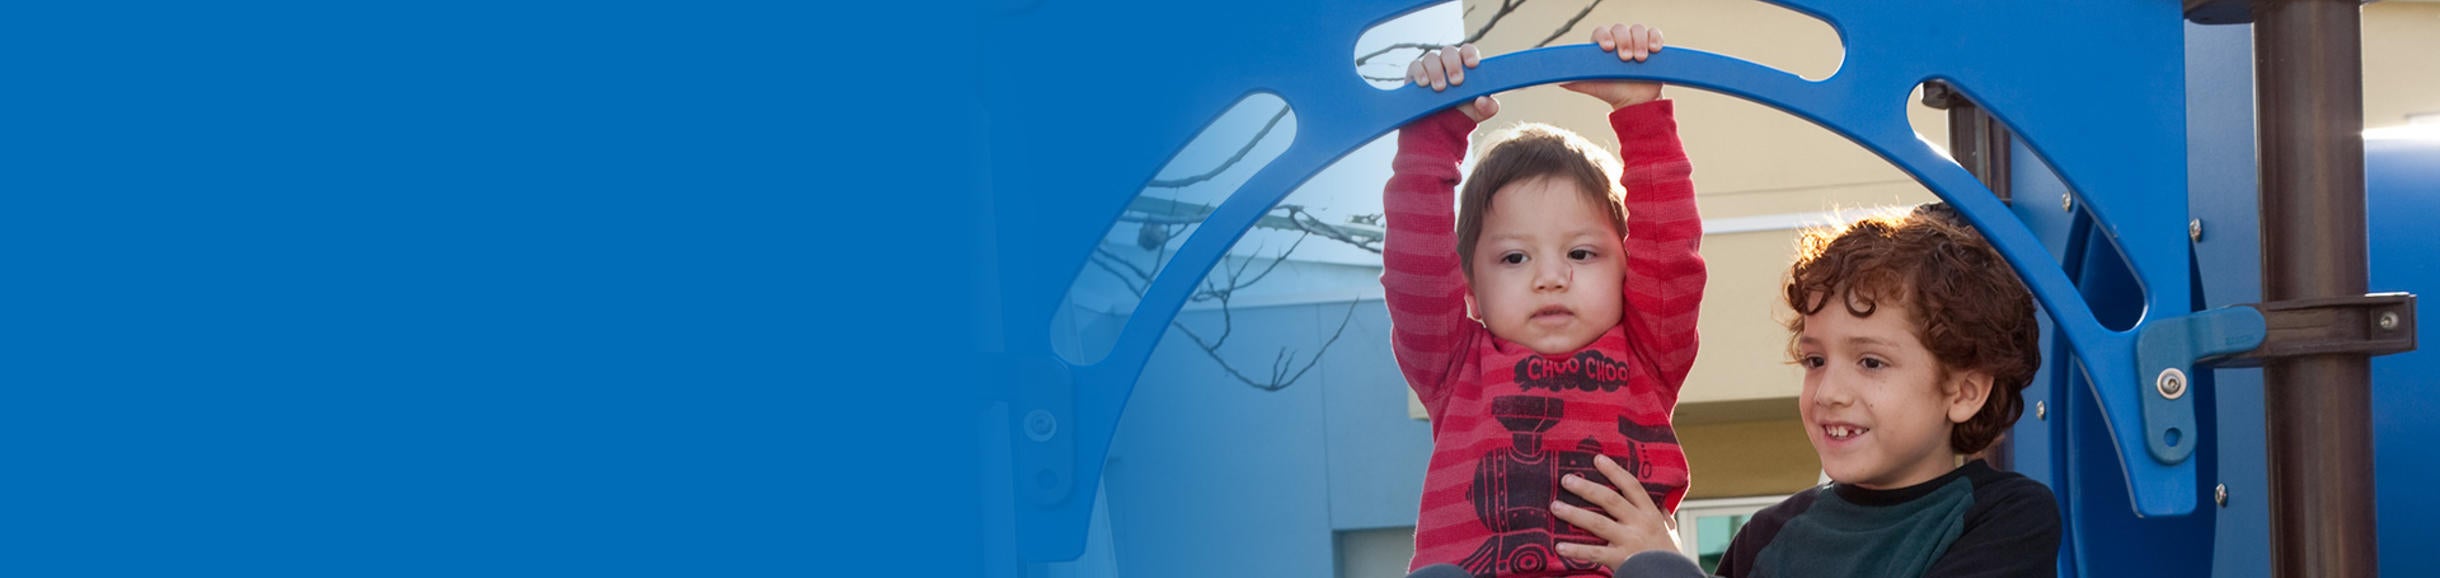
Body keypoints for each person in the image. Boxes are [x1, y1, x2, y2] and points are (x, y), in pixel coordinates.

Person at [1545, 203, 2064, 577]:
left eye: (1871, 361)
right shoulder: (1768, 535)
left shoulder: (2004, 517)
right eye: (1815, 360)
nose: (1829, 391)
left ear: (1964, 391)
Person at [1385, 23, 1705, 578]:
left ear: (1628, 270)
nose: (1550, 278)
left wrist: (1640, 114)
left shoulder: (1646, 355)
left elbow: (1671, 252)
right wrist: (1432, 139)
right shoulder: (1456, 366)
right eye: (1515, 258)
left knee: (1662, 571)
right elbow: (1414, 270)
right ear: (1469, 290)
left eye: (1582, 254)